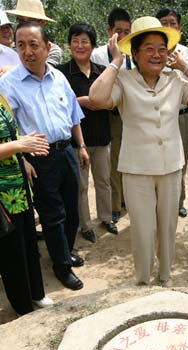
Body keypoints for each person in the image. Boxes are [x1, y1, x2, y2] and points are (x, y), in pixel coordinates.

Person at [89, 16, 188, 285]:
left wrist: (183, 65)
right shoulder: (123, 80)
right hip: (137, 170)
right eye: (148, 48)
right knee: (143, 230)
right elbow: (97, 98)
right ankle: (144, 279)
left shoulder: (175, 80)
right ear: (134, 52)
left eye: (162, 48)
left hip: (170, 166)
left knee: (168, 227)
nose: (157, 55)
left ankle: (165, 275)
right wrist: (114, 62)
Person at [0, 21, 89, 291]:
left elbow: (73, 114)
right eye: (21, 45)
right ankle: (62, 266)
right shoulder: (8, 84)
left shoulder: (58, 77)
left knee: (72, 206)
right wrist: (23, 159)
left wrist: (81, 146)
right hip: (38, 158)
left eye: (34, 44)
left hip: (67, 152)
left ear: (48, 47)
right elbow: (8, 129)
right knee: (53, 215)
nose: (27, 51)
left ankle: (66, 251)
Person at [58, 22, 118, 244]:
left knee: (103, 180)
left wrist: (100, 102)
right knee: (81, 186)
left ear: (92, 46)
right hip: (76, 141)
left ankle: (106, 217)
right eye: (75, 40)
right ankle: (85, 225)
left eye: (85, 41)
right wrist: (82, 101)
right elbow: (59, 104)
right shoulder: (61, 73)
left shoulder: (101, 72)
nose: (80, 45)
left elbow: (113, 102)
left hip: (102, 136)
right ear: (70, 44)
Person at [0, 96, 53, 315]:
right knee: (11, 253)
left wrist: (23, 155)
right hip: (3, 196)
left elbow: (8, 137)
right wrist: (18, 145)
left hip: (18, 188)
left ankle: (37, 294)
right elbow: (11, 143)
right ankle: (23, 307)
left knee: (29, 245)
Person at [156, 7, 188, 218]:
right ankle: (158, 203)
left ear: (179, 27)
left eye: (172, 22)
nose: (168, 26)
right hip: (158, 116)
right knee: (158, 159)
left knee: (180, 160)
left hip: (183, 115)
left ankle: (178, 201)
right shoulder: (153, 54)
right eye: (163, 22)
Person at [91, 7, 132, 223]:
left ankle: (126, 198)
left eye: (127, 31)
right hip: (109, 115)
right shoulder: (98, 55)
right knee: (114, 161)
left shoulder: (134, 52)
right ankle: (116, 204)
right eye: (119, 30)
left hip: (130, 115)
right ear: (109, 31)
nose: (123, 35)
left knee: (130, 159)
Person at [6, 0, 62, 66]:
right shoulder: (9, 49)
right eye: (20, 20)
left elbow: (42, 71)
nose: (25, 25)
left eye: (30, 21)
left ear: (42, 23)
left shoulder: (52, 50)